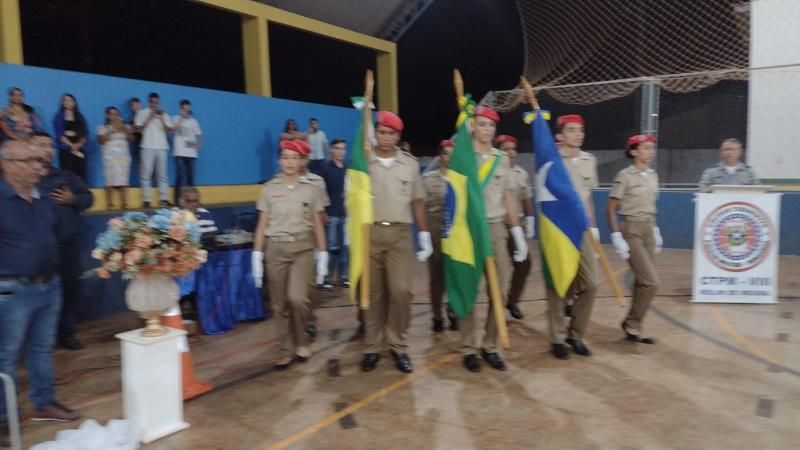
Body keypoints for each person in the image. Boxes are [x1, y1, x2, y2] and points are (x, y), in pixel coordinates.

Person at [0, 140, 81, 443]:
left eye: (40, 160)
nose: (39, 166)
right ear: (7, 164)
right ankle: (2, 418)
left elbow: (59, 235)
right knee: (5, 358)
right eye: (30, 160)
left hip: (50, 285)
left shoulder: (45, 198)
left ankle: (44, 402)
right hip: (11, 290)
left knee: (41, 348)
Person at [360, 111, 432, 374]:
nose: (386, 137)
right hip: (370, 232)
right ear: (375, 133)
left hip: (401, 233)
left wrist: (424, 234)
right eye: (382, 132)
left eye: (391, 133)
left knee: (401, 291)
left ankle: (398, 344)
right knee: (374, 293)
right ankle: (372, 346)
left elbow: (417, 201)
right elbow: (353, 197)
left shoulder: (410, 164)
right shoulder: (364, 161)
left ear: (398, 136)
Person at [460, 106, 528, 373]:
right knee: (469, 290)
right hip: (470, 230)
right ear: (473, 127)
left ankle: (490, 345)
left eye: (491, 125)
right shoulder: (464, 157)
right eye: (482, 124)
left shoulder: (501, 159)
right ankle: (468, 347)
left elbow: (508, 196)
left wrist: (517, 232)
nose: (486, 129)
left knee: (499, 290)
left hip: (497, 227)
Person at [251, 140, 328, 370]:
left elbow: (318, 224)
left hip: (303, 248)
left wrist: (322, 254)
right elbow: (262, 225)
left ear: (302, 161)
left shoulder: (311, 189)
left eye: (295, 158)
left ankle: (302, 340)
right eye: (286, 157)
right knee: (279, 304)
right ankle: (286, 349)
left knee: (298, 298)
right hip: (275, 248)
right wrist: (256, 255)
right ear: (279, 160)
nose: (290, 162)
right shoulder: (269, 189)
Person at [31, 131, 94, 351]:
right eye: (41, 145)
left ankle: (67, 333)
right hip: (37, 252)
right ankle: (40, 339)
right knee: (40, 295)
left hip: (67, 248)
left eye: (49, 145)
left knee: (70, 291)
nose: (47, 149)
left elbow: (88, 198)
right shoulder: (25, 179)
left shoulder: (66, 177)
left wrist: (72, 199)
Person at [546, 114, 599, 359]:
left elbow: (588, 197)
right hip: (559, 228)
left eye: (580, 130)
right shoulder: (552, 160)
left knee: (590, 284)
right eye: (571, 130)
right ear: (560, 135)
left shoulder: (589, 160)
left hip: (583, 230)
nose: (578, 134)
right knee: (560, 284)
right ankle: (557, 338)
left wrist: (594, 228)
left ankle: (575, 334)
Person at [606, 134, 662, 345]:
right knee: (651, 281)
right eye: (646, 148)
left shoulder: (653, 175)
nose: (651, 152)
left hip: (649, 228)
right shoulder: (625, 176)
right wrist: (616, 236)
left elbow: (651, 205)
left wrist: (655, 229)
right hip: (631, 229)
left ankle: (633, 327)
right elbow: (610, 209)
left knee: (642, 282)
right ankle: (632, 322)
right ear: (634, 151)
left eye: (652, 148)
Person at [495, 134, 535, 320]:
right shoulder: (491, 171)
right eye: (506, 149)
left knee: (525, 263)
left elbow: (526, 199)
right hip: (498, 224)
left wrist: (530, 219)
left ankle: (513, 300)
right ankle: (496, 304)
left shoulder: (521, 174)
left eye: (513, 149)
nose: (510, 153)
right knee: (499, 268)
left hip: (517, 225)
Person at [422, 139, 459, 333]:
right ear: (440, 156)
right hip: (436, 228)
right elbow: (421, 207)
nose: (450, 158)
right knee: (436, 278)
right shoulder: (429, 179)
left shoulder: (462, 178)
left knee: (454, 274)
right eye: (446, 154)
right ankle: (437, 315)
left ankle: (452, 311)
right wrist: (424, 235)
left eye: (453, 154)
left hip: (456, 231)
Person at [134, 92, 172, 208]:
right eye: (152, 102)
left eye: (156, 102)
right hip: (147, 146)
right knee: (146, 174)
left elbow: (167, 132)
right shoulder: (141, 113)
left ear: (158, 102)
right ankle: (146, 200)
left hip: (162, 147)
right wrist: (150, 117)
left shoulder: (164, 114)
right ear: (149, 101)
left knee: (163, 175)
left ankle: (164, 199)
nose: (154, 104)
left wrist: (161, 118)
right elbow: (139, 131)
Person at [320, 138, 349, 288]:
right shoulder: (326, 168)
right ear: (332, 149)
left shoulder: (348, 168)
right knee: (331, 247)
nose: (340, 151)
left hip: (346, 214)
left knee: (345, 247)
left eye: (343, 148)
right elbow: (320, 192)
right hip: (331, 214)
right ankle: (324, 277)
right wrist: (323, 212)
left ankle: (343, 276)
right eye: (337, 148)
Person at [97, 106, 132, 210]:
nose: (114, 116)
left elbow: (132, 139)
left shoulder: (125, 126)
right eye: (111, 114)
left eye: (116, 114)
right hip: (110, 157)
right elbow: (100, 140)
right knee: (110, 180)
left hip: (123, 156)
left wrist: (124, 128)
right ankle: (110, 204)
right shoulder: (103, 127)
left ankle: (124, 203)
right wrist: (111, 130)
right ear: (107, 115)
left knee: (124, 180)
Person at [172, 99, 203, 204]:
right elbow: (174, 130)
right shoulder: (175, 118)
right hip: (179, 152)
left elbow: (199, 135)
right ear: (181, 108)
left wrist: (198, 146)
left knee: (190, 177)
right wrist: (181, 117)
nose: (186, 110)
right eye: (184, 108)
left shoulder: (194, 121)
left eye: (187, 108)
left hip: (191, 153)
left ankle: (192, 200)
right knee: (180, 176)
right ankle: (177, 200)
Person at [53, 94, 89, 181]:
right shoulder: (59, 116)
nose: (68, 102)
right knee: (67, 175)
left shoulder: (80, 117)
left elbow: (84, 134)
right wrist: (71, 145)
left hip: (79, 149)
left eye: (70, 100)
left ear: (74, 103)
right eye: (65, 100)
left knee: (80, 174)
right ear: (62, 103)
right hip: (65, 149)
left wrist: (78, 144)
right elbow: (59, 134)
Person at [127, 97, 142, 186]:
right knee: (140, 164)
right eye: (132, 105)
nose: (135, 107)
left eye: (136, 104)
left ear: (140, 105)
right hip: (138, 144)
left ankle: (155, 184)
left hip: (149, 144)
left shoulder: (146, 115)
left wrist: (134, 130)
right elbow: (131, 132)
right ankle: (142, 183)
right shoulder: (132, 119)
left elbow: (142, 130)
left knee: (152, 165)